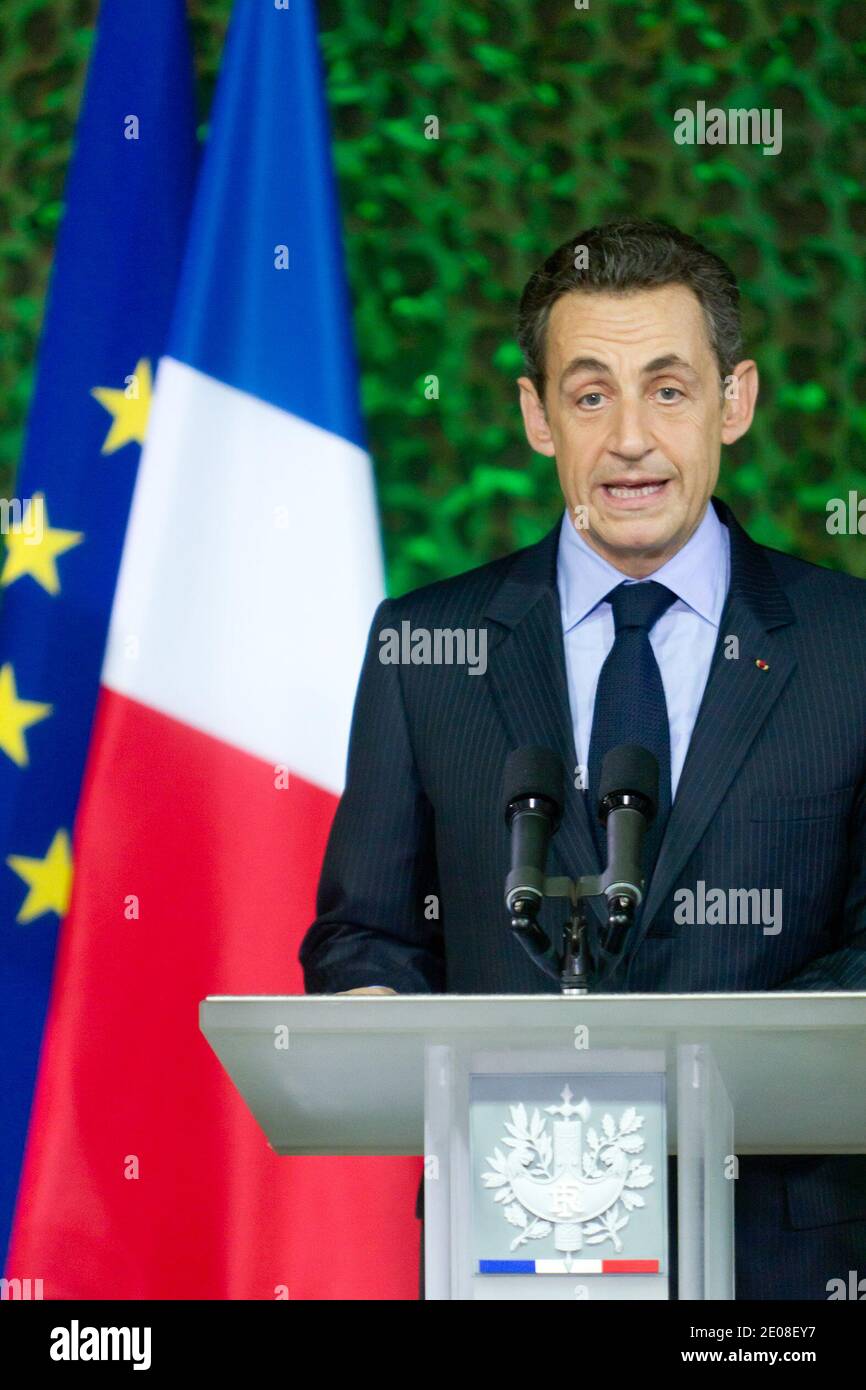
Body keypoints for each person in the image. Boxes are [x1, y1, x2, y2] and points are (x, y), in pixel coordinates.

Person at [300, 220, 866, 1300]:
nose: (629, 442)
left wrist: (716, 1064)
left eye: (667, 388)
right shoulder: (427, 648)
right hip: (512, 1238)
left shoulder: (847, 645)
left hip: (782, 1262)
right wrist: (372, 997)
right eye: (589, 393)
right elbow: (364, 929)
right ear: (535, 416)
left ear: (732, 401)